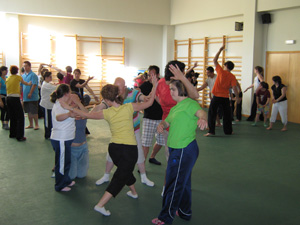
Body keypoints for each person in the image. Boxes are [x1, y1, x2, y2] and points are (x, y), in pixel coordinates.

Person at [61, 77, 158, 216]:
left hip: (114, 149)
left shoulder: (106, 113)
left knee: (125, 171)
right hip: (129, 150)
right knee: (120, 177)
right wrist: (154, 85)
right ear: (117, 95)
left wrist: (69, 107)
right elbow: (149, 103)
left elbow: (85, 114)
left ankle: (133, 192)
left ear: (106, 100)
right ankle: (100, 205)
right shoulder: (130, 107)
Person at [152, 77, 208, 225]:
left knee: (173, 183)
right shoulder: (176, 107)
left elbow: (201, 113)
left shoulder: (190, 104)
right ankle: (184, 211)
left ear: (181, 90)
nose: (170, 92)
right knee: (183, 182)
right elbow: (167, 120)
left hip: (184, 149)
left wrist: (203, 119)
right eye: (170, 89)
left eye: (173, 89)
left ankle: (165, 217)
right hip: (176, 149)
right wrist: (162, 125)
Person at [95, 77, 155, 187]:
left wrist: (148, 95)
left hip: (133, 130)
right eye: (115, 86)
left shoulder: (133, 93)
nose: (116, 89)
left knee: (139, 154)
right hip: (118, 133)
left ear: (125, 87)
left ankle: (143, 177)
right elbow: (101, 106)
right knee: (111, 155)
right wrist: (90, 112)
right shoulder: (112, 95)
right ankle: (106, 175)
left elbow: (143, 98)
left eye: (119, 87)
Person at [50, 84, 84, 191]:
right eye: (70, 92)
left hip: (66, 139)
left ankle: (66, 179)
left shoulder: (65, 104)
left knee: (66, 161)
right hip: (61, 139)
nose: (71, 94)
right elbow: (58, 117)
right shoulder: (59, 105)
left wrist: (71, 112)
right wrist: (69, 114)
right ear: (66, 94)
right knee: (61, 163)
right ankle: (60, 185)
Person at [204, 45, 240, 136]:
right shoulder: (232, 76)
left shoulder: (221, 71)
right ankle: (228, 131)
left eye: (224, 65)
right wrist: (237, 97)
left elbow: (215, 60)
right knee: (227, 115)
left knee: (212, 113)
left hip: (216, 96)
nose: (223, 66)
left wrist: (220, 50)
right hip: (225, 98)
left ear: (226, 66)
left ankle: (211, 131)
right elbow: (234, 88)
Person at [139, 65, 164, 166]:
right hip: (148, 118)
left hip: (162, 118)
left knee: (161, 141)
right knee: (145, 144)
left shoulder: (163, 84)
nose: (151, 77)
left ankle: (152, 156)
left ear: (158, 75)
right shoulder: (145, 85)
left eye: (153, 74)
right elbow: (146, 98)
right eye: (150, 75)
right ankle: (142, 165)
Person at [5, 66, 31, 141]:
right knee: (20, 117)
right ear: (17, 71)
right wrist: (29, 84)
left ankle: (12, 133)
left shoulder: (8, 78)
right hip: (15, 98)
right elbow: (24, 83)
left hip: (8, 98)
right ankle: (20, 136)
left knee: (12, 116)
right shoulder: (18, 77)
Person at [68, 94, 89, 180]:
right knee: (71, 176)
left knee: (82, 175)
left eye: (75, 100)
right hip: (71, 148)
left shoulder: (83, 111)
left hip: (83, 148)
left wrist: (78, 103)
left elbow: (87, 114)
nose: (73, 102)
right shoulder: (66, 112)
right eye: (71, 100)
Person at [21, 61, 40, 130]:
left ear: (29, 66)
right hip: (25, 97)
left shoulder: (33, 75)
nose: (25, 67)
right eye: (24, 66)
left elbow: (34, 84)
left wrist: (30, 93)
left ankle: (37, 124)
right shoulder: (22, 76)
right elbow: (21, 86)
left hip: (33, 97)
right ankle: (31, 124)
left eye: (26, 66)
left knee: (34, 111)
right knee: (28, 111)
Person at [40, 71, 56, 139]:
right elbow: (56, 88)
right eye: (50, 77)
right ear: (46, 78)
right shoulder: (46, 85)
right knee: (47, 121)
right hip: (46, 105)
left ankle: (50, 133)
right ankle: (47, 134)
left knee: (50, 120)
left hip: (49, 105)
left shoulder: (47, 83)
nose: (51, 78)